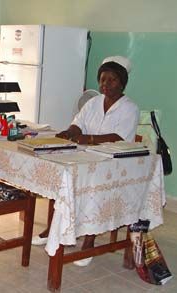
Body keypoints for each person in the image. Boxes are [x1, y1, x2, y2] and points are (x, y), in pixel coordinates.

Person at [32, 56, 140, 266]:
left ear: (122, 83)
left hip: (113, 163)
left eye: (112, 80)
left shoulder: (130, 108)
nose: (105, 85)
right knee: (60, 177)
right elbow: (78, 123)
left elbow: (118, 137)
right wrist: (69, 132)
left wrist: (88, 139)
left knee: (92, 185)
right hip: (86, 156)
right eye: (102, 80)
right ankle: (53, 227)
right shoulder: (93, 102)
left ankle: (89, 241)